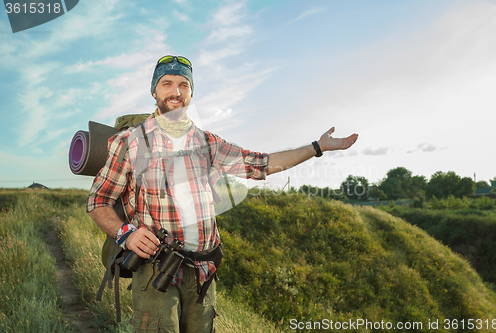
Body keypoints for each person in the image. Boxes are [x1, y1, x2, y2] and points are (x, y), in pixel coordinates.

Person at [87, 55, 358, 333]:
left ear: (191, 92)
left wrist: (317, 147)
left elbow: (261, 165)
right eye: (167, 83)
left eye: (183, 84)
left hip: (203, 273)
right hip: (156, 269)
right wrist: (126, 234)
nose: (175, 91)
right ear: (154, 91)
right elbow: (99, 200)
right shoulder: (131, 141)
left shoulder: (208, 142)